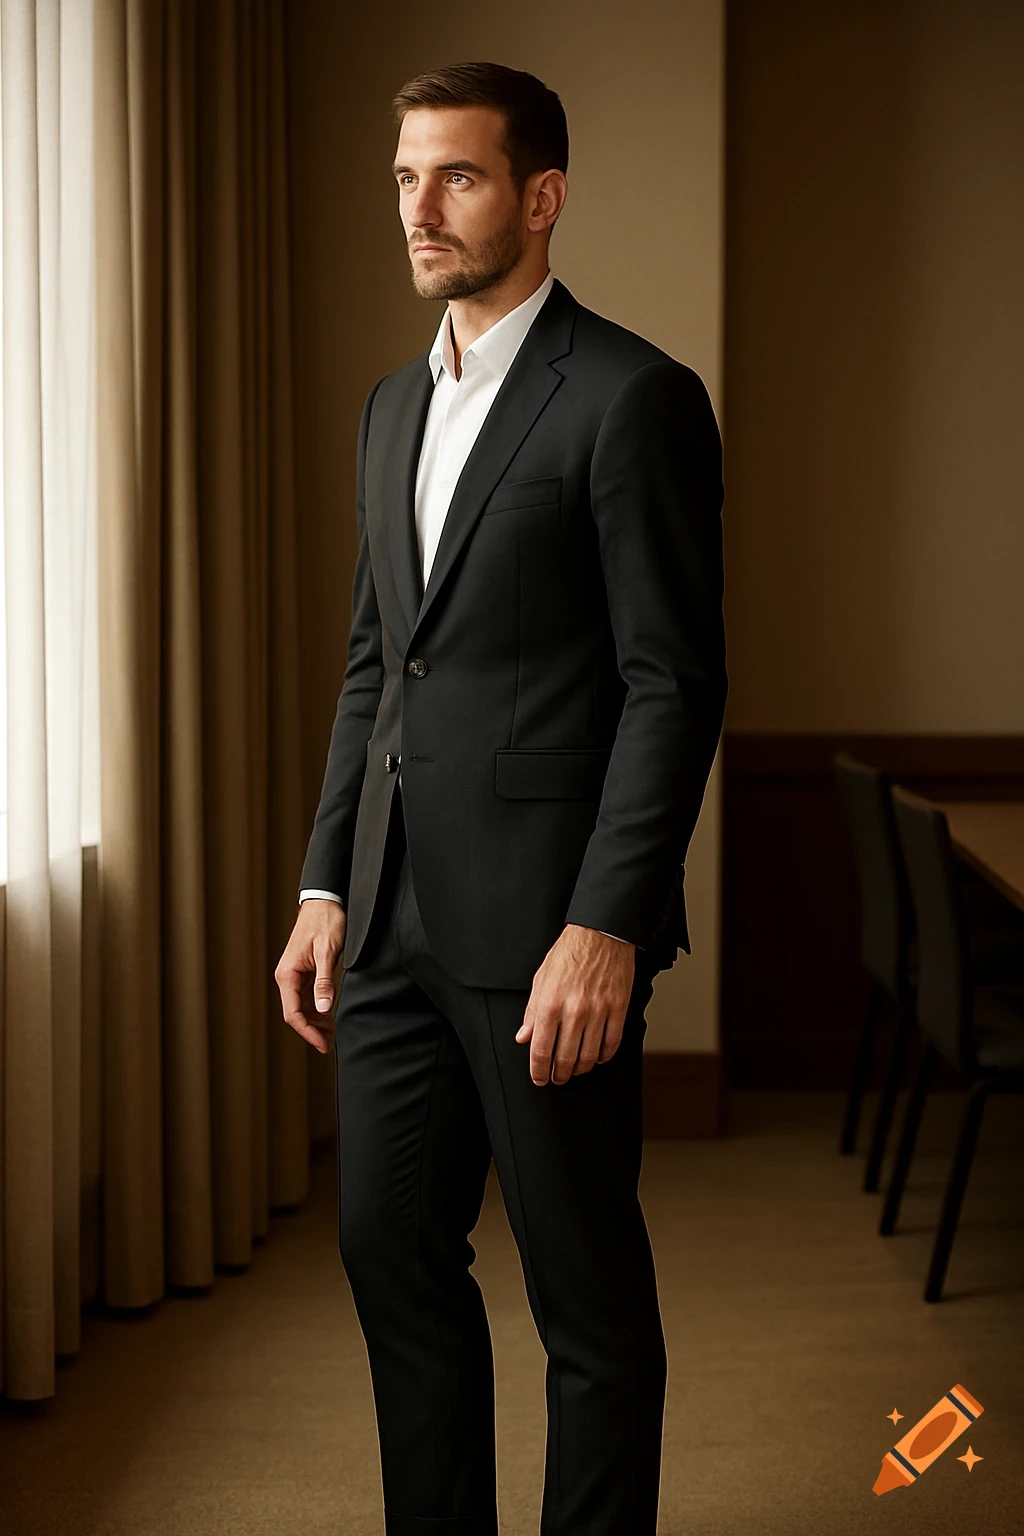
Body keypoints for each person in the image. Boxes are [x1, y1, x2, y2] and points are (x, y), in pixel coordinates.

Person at [274, 60, 726, 1536]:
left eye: (455, 176)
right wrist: (326, 882)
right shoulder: (391, 410)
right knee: (388, 1255)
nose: (419, 207)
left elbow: (674, 684)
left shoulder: (633, 397)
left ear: (541, 197)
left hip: (548, 944)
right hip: (394, 925)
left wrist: (605, 927)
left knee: (585, 1302)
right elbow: (373, 668)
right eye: (404, 177)